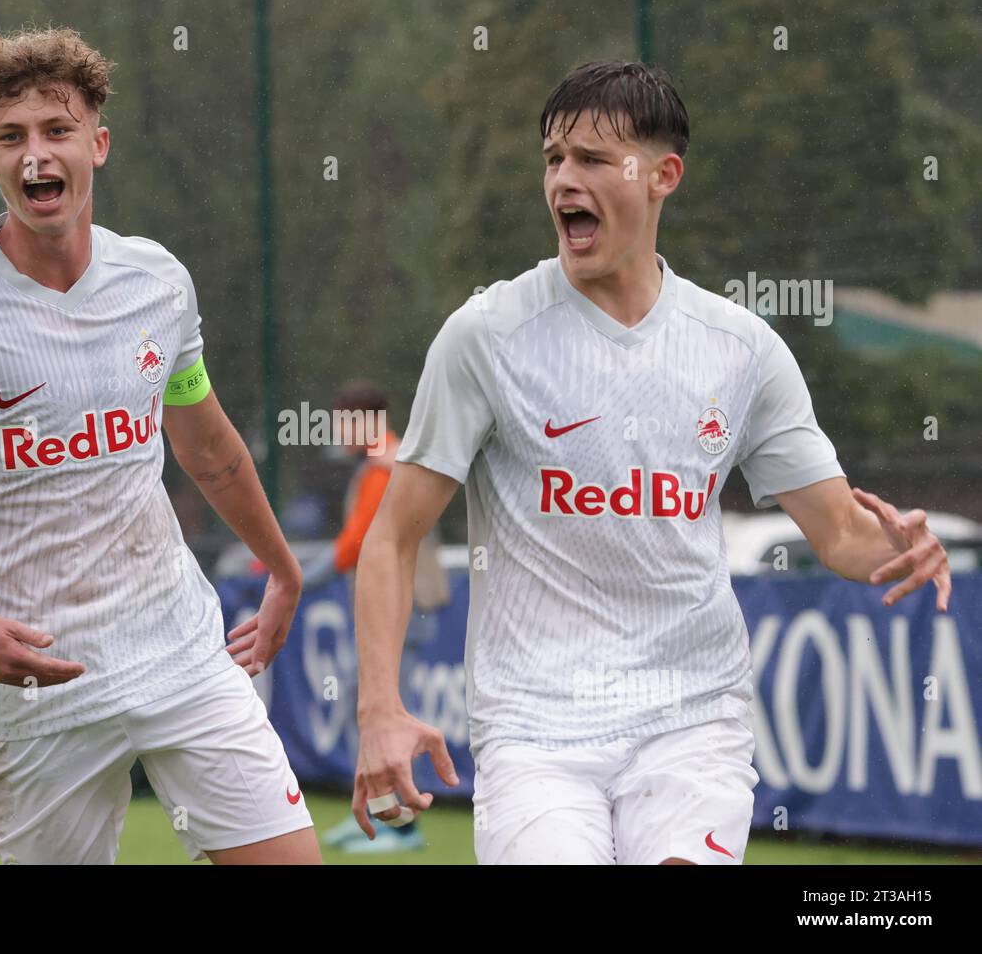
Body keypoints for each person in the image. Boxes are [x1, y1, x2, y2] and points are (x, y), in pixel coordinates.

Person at [351, 60, 952, 865]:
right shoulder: (485, 336)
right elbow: (392, 539)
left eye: (593, 160)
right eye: (554, 159)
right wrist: (378, 709)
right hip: (536, 733)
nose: (565, 178)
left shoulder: (741, 350)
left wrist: (902, 547)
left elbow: (841, 533)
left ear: (664, 175)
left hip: (693, 720)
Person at [0, 27, 317, 864]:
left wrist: (281, 565)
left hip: (181, 654)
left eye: (55, 132)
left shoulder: (158, 282)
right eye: (9, 138)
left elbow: (206, 444)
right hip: (38, 683)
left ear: (97, 143)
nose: (35, 156)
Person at [309, 380, 449, 853]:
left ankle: (403, 827)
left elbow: (354, 544)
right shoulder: (381, 463)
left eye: (342, 422)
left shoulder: (384, 467)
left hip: (404, 610)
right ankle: (377, 813)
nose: (337, 433)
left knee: (390, 715)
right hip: (396, 610)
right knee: (369, 706)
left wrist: (291, 578)